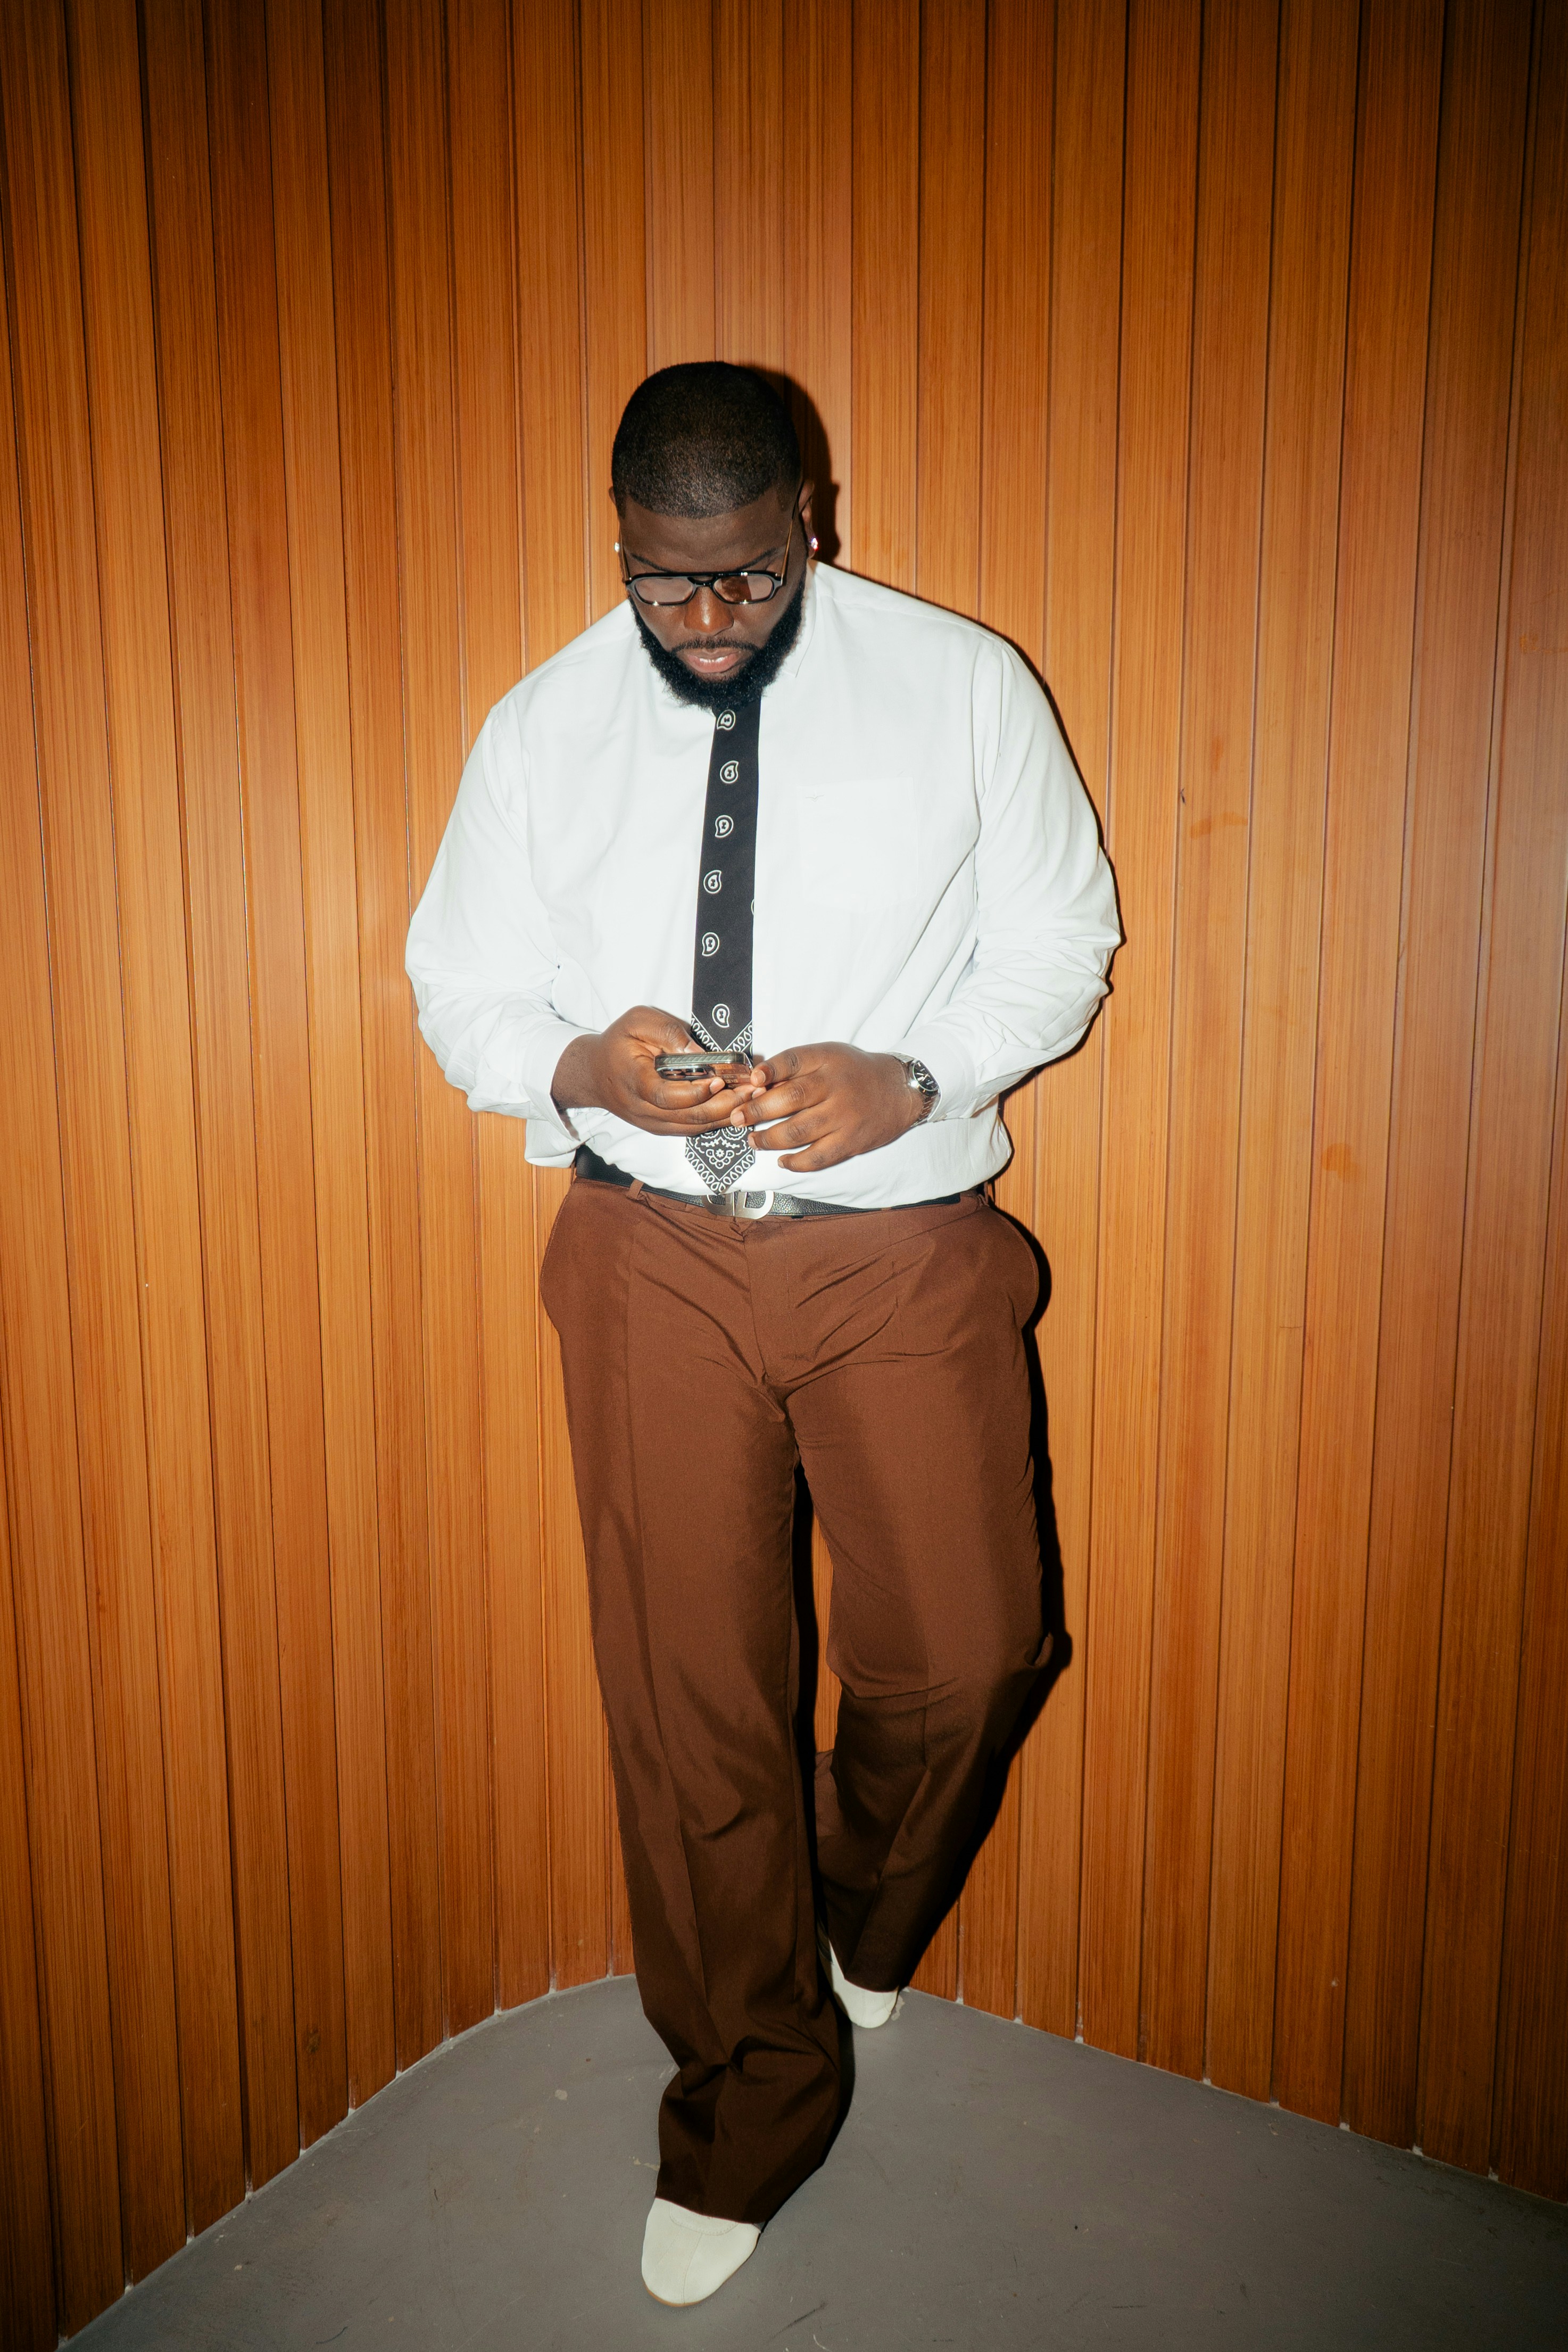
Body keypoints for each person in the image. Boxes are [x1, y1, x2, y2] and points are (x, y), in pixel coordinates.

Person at [406, 362, 1119, 2307]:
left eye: (745, 578)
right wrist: (569, 1062)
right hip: (649, 1258)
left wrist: (914, 1069)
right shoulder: (542, 726)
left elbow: (1062, 938)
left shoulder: (963, 681)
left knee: (970, 1651)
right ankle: (744, 2097)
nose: (707, 622)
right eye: (664, 585)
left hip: (897, 1249)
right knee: (690, 1703)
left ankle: (844, 1920)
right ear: (619, 544)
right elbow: (455, 980)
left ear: (817, 515)